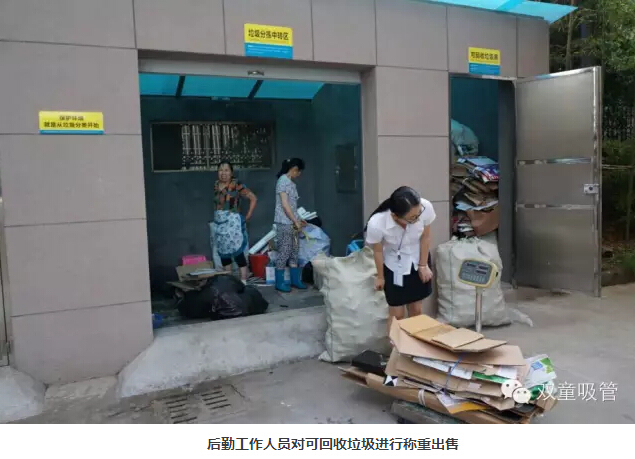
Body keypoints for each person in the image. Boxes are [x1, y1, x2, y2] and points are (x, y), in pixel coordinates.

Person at [365, 186, 436, 334]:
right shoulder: (377, 223)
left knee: (416, 310)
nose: (418, 219)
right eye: (413, 218)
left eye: (419, 214)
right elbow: (378, 251)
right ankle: (396, 347)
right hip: (394, 265)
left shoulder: (425, 207)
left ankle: (415, 345)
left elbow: (426, 237)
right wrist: (380, 277)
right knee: (397, 314)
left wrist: (423, 265)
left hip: (418, 259)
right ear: (395, 216)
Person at [211, 160, 257, 283]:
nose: (223, 173)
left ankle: (243, 281)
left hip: (233, 224)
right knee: (224, 254)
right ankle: (229, 282)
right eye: (221, 170)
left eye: (226, 170)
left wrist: (248, 215)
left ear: (231, 173)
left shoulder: (236, 184)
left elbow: (253, 198)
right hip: (220, 224)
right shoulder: (216, 185)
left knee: (237, 252)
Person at [274, 158, 308, 292]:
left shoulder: (291, 183)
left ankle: (295, 280)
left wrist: (299, 219)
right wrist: (295, 220)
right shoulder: (282, 181)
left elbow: (293, 206)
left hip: (293, 223)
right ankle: (280, 282)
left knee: (294, 251)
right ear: (294, 169)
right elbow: (285, 205)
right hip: (285, 223)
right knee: (284, 252)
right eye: (299, 172)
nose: (299, 174)